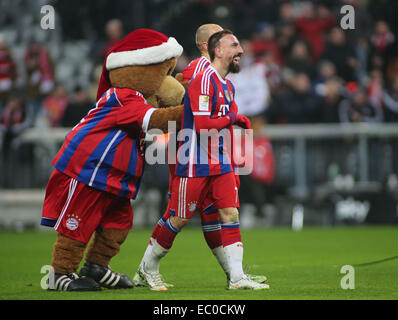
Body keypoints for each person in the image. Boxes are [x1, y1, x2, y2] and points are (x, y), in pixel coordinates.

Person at [137, 29, 270, 291]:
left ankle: (236, 277)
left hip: (219, 161)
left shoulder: (228, 86)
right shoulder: (202, 79)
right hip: (193, 160)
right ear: (217, 50)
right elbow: (203, 123)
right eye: (235, 45)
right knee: (179, 217)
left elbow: (222, 126)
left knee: (229, 212)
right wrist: (234, 118)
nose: (241, 51)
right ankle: (147, 267)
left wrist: (233, 153)